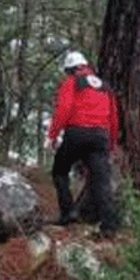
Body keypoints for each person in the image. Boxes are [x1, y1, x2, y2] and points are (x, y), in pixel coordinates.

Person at [47, 51, 120, 238]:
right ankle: (109, 226)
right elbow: (113, 120)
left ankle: (68, 213)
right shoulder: (105, 87)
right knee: (101, 181)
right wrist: (111, 146)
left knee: (60, 171)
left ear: (72, 69)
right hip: (100, 137)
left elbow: (64, 109)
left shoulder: (72, 82)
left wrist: (53, 135)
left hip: (77, 133)